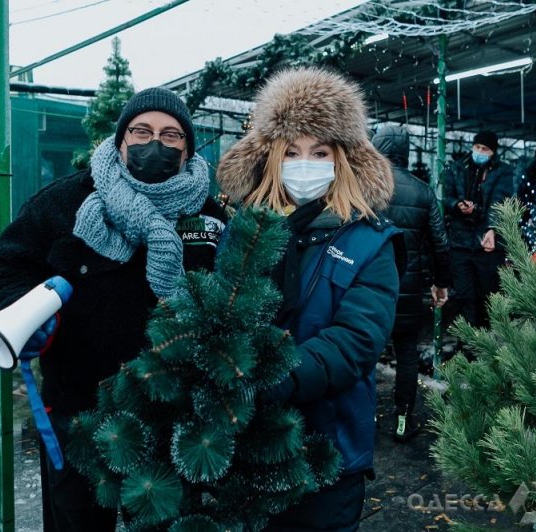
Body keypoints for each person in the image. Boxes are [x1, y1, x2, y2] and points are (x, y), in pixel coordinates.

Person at [0, 87, 227, 531]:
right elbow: (7, 266)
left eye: (172, 135)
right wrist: (28, 316)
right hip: (77, 414)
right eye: (142, 131)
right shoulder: (63, 202)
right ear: (120, 140)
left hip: (168, 419)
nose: (156, 143)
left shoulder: (209, 217)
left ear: (188, 148)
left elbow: (229, 295)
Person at [217, 67, 403, 532]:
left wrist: (274, 379)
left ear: (342, 159)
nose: (305, 163)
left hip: (328, 452)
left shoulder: (371, 243)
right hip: (243, 445)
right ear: (272, 159)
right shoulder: (247, 232)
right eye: (292, 152)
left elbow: (357, 341)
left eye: (319, 152)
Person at [372, 124, 451, 442]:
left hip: (371, 289)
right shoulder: (423, 191)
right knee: (406, 355)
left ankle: (365, 417)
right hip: (410, 291)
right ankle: (403, 420)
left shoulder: (365, 189)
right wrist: (441, 284)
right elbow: (440, 244)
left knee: (366, 353)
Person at [442, 130, 515, 335]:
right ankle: (466, 343)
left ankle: (484, 341)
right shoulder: (457, 168)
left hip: (487, 245)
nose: (479, 152)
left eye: (485, 149)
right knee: (464, 296)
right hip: (460, 243)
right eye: (477, 147)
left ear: (493, 152)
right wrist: (457, 204)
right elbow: (445, 197)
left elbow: (500, 201)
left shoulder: (502, 171)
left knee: (487, 295)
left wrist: (492, 227)